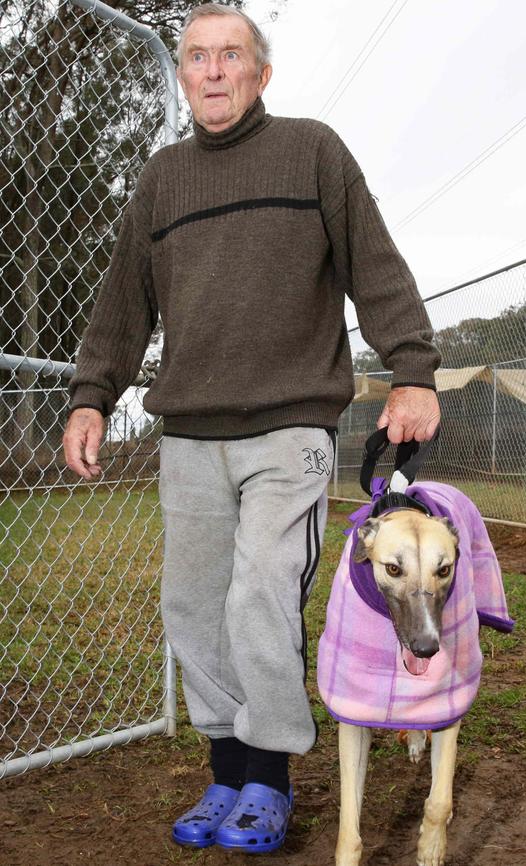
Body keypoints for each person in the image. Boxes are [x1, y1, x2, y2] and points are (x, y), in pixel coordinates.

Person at [63, 2, 441, 853]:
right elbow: (121, 305)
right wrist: (91, 395)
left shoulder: (312, 151)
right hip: (191, 433)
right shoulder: (161, 180)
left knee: (261, 595)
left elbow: (375, 265)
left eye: (231, 54)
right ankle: (226, 770)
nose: (213, 70)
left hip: (290, 428)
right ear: (184, 74)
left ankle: (268, 781)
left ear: (260, 72)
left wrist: (411, 369)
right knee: (194, 605)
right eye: (197, 56)